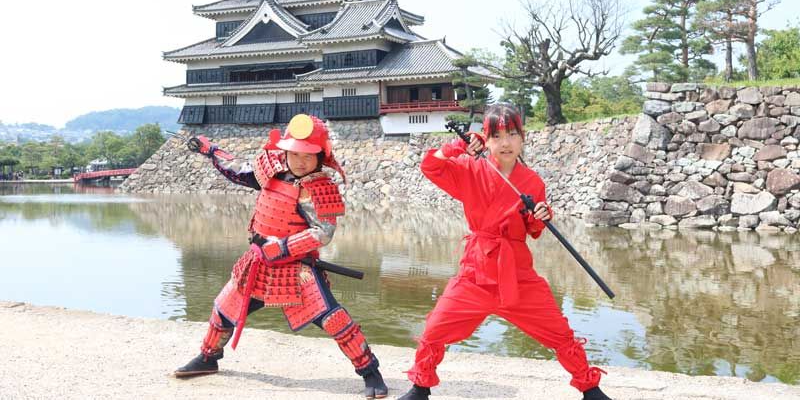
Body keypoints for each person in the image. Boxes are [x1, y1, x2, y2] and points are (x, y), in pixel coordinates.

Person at [399, 103, 612, 400]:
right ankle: (420, 387)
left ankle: (590, 388)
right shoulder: (469, 169)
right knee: (435, 328)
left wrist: (541, 214)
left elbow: (532, 229)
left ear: (522, 138)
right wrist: (457, 145)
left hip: (517, 275)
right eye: (497, 136)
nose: (506, 143)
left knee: (559, 331)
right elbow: (430, 166)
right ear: (485, 140)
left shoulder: (532, 182)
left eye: (512, 134)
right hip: (475, 273)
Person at [174, 114, 388, 399]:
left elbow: (323, 233)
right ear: (284, 151)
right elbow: (236, 169)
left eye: (308, 155)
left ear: (321, 156)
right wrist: (211, 150)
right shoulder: (269, 172)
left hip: (297, 270)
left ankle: (370, 372)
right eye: (294, 153)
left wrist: (283, 247)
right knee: (223, 309)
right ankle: (208, 357)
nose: (300, 160)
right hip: (259, 264)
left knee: (334, 320)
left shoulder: (319, 188)